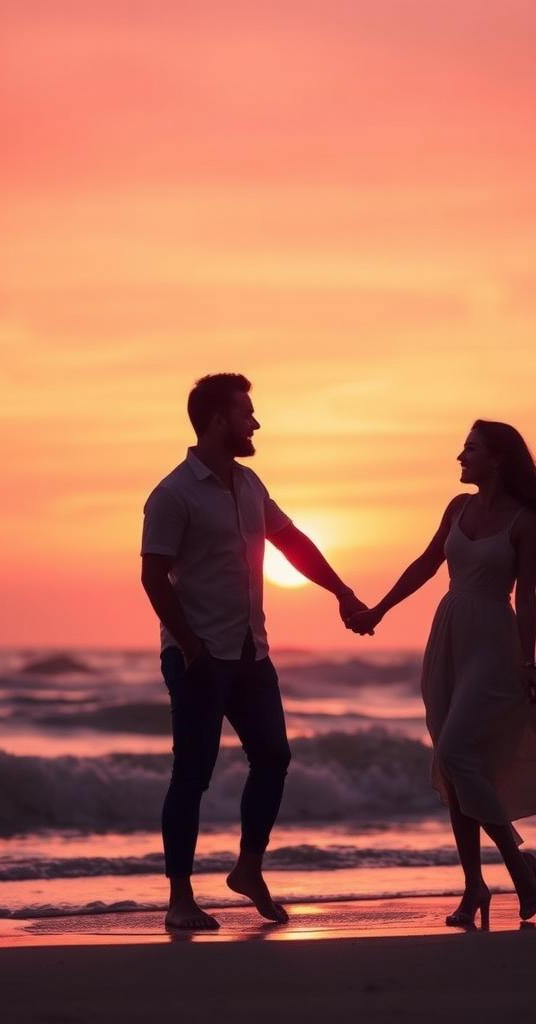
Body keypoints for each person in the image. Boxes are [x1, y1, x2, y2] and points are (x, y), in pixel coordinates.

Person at [348, 420, 536, 927]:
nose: (460, 456)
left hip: (493, 642)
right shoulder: (457, 508)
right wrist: (378, 611)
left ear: (497, 458)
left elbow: (527, 596)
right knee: (455, 768)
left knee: (454, 752)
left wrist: (527, 661)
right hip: (448, 636)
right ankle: (474, 886)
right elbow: (427, 563)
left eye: (470, 449)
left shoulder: (524, 522)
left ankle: (516, 864)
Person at [140, 373, 369, 931]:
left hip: (250, 650)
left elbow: (291, 541)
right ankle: (179, 899)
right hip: (199, 656)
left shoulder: (249, 484)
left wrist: (341, 592)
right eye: (246, 414)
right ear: (218, 420)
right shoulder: (173, 494)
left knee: (274, 757)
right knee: (192, 774)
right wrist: (190, 645)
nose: (255, 423)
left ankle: (248, 867)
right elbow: (153, 576)